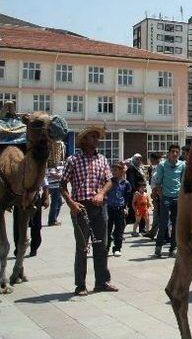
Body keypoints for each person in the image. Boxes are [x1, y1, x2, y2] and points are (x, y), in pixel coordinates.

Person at [60, 126, 118, 295]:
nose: (96, 140)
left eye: (97, 137)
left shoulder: (102, 159)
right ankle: (80, 285)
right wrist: (71, 203)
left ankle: (101, 282)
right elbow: (62, 184)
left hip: (100, 207)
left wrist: (101, 193)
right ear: (83, 140)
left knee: (102, 245)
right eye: (92, 137)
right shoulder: (73, 160)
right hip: (81, 208)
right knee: (82, 247)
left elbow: (109, 181)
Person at [152, 144, 185, 258]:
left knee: (176, 224)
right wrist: (161, 196)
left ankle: (173, 248)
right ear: (168, 153)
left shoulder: (182, 165)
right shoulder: (162, 165)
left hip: (177, 198)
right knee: (164, 223)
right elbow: (158, 183)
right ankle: (158, 246)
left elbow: (183, 181)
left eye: (177, 152)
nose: (175, 154)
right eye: (173, 152)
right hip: (165, 198)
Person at [13, 177, 49, 257]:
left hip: (35, 198)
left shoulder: (36, 166)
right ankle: (18, 250)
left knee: (36, 226)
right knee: (18, 227)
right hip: (19, 199)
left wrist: (46, 195)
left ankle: (34, 249)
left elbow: (44, 180)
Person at [106, 162, 131, 257]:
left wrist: (125, 207)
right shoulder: (109, 182)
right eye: (112, 170)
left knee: (119, 230)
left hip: (119, 209)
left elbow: (127, 197)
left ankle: (117, 248)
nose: (113, 172)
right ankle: (106, 247)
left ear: (121, 171)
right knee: (107, 229)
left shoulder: (126, 183)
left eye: (116, 170)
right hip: (109, 208)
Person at [125, 153, 147, 234]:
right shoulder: (131, 168)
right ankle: (119, 230)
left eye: (140, 159)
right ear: (133, 159)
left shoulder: (140, 168)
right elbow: (131, 181)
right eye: (137, 159)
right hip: (136, 193)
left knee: (143, 210)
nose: (139, 160)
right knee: (132, 213)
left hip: (142, 192)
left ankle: (142, 229)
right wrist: (135, 191)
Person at [144, 153, 162, 240]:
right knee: (156, 214)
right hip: (155, 193)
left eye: (151, 159)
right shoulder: (156, 167)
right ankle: (153, 232)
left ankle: (158, 233)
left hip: (160, 194)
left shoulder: (161, 167)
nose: (150, 161)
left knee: (159, 214)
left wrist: (156, 193)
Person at [46, 161, 64, 226]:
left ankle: (53, 219)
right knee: (55, 203)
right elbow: (51, 174)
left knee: (59, 203)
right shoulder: (50, 165)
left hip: (57, 186)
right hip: (53, 186)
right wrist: (61, 176)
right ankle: (52, 220)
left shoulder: (59, 164)